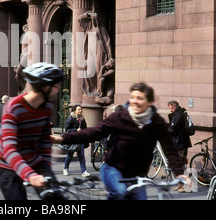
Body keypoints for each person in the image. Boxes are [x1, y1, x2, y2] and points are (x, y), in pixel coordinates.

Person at [51, 82, 191, 200]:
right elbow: (94, 132)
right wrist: (63, 138)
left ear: (148, 102)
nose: (135, 101)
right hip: (113, 168)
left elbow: (170, 149)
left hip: (136, 175)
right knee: (119, 191)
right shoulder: (119, 117)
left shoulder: (156, 123)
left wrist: (179, 173)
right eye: (132, 97)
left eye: (140, 98)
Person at [0, 62, 65, 200]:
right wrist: (30, 175)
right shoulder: (13, 108)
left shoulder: (46, 107)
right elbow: (9, 149)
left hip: (34, 160)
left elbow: (44, 141)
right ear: (45, 87)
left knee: (57, 198)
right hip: (7, 165)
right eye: (56, 87)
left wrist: (46, 170)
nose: (58, 90)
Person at [167, 100, 192, 193]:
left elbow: (173, 128)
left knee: (180, 164)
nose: (170, 110)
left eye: (172, 108)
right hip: (180, 142)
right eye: (169, 108)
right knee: (179, 164)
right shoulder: (178, 114)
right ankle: (180, 185)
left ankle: (183, 186)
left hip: (180, 143)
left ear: (176, 107)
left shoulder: (178, 115)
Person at [63, 105, 90, 177]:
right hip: (73, 139)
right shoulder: (71, 118)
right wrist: (75, 130)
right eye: (78, 109)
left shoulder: (82, 118)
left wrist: (83, 131)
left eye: (81, 109)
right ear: (75, 111)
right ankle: (65, 168)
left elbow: (85, 127)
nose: (80, 111)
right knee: (70, 155)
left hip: (80, 139)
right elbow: (67, 129)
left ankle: (84, 171)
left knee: (81, 155)